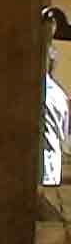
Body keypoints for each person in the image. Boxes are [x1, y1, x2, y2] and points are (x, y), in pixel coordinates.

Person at [42, 46, 69, 186]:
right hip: (52, 165)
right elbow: (63, 135)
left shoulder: (28, 91)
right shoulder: (60, 95)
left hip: (30, 166)